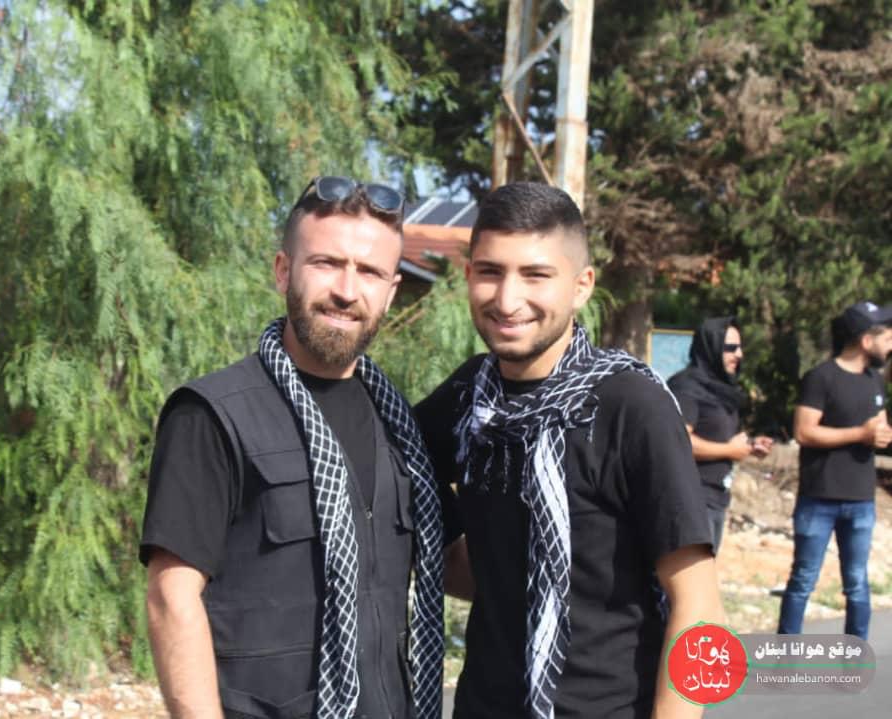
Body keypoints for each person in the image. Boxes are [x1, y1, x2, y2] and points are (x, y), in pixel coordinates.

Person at [140, 176, 448, 719]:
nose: (347, 291)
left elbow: (458, 561)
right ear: (284, 270)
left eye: (369, 272)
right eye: (326, 263)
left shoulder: (402, 427)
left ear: (391, 291)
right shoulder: (213, 414)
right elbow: (171, 598)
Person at [415, 182, 723, 719]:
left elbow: (699, 606)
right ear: (468, 275)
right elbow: (397, 468)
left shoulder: (632, 406)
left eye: (535, 275)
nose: (507, 299)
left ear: (582, 287)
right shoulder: (470, 397)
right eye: (490, 272)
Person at [777, 300, 892, 639]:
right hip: (819, 498)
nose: (891, 345)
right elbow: (804, 432)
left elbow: (877, 428)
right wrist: (860, 434)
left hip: (861, 500)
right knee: (803, 580)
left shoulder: (875, 381)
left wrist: (881, 435)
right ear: (866, 341)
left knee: (857, 583)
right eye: (887, 338)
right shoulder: (821, 378)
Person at [668, 317, 773, 552]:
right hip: (691, 499)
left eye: (740, 347)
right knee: (692, 573)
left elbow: (715, 435)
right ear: (711, 347)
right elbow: (677, 441)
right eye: (730, 348)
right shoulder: (686, 388)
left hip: (716, 498)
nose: (739, 354)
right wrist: (729, 450)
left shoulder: (719, 389)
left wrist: (750, 445)